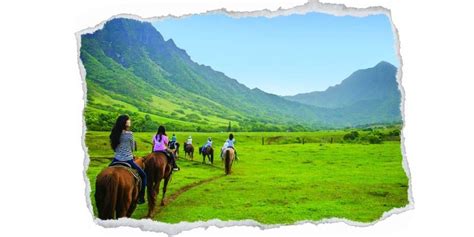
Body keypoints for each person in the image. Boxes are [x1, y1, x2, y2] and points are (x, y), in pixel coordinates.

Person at [109, 114, 146, 204]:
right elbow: (132, 148)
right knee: (143, 176)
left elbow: (114, 147)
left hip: (116, 159)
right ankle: (141, 197)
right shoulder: (129, 134)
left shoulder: (114, 133)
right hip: (128, 160)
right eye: (128, 120)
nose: (130, 121)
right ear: (125, 122)